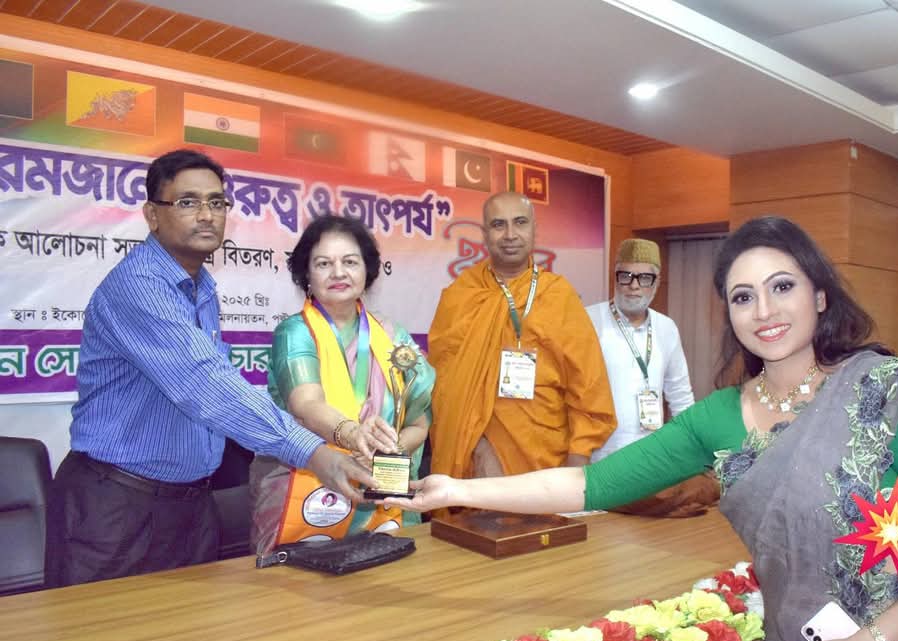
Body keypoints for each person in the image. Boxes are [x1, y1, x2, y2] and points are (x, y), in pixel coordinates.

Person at [390, 216, 898, 641]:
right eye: (743, 297)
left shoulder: (889, 394)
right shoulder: (720, 417)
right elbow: (590, 483)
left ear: (820, 295)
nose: (764, 311)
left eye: (782, 287)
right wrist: (458, 487)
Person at [45, 149, 371, 588]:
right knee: (102, 633)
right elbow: (208, 387)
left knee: (191, 630)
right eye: (188, 202)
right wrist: (314, 452)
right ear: (152, 215)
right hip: (118, 508)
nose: (206, 214)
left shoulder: (200, 288)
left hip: (190, 506)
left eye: (217, 202)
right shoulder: (140, 287)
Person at [251, 214, 434, 553]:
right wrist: (355, 436)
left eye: (350, 262)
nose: (338, 273)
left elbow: (419, 424)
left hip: (382, 491)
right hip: (307, 489)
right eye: (324, 264)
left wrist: (385, 451)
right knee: (300, 585)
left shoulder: (394, 339)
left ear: (367, 270)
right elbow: (306, 405)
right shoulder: (295, 332)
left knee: (388, 580)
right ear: (307, 274)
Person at [427, 191, 616, 478]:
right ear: (484, 234)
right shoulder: (460, 296)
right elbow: (443, 386)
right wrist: (476, 444)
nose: (510, 235)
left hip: (545, 456)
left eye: (520, 222)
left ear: (534, 230)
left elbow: (588, 384)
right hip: (473, 452)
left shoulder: (559, 296)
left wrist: (579, 459)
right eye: (498, 225)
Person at [586, 237, 693, 461]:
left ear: (656, 282)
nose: (633, 286)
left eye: (644, 278)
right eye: (626, 276)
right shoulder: (588, 320)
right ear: (615, 278)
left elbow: (680, 395)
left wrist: (691, 446)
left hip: (651, 456)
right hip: (599, 455)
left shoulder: (666, 327)